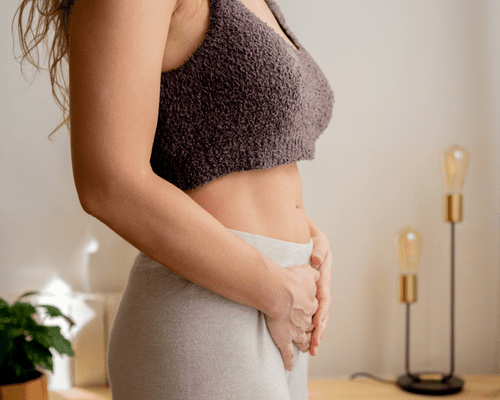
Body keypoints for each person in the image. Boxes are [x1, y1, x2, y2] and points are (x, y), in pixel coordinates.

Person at [13, 0, 334, 398]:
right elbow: (108, 183)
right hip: (211, 316)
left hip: (281, 302)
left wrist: (309, 240)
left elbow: (244, 153)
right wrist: (276, 290)